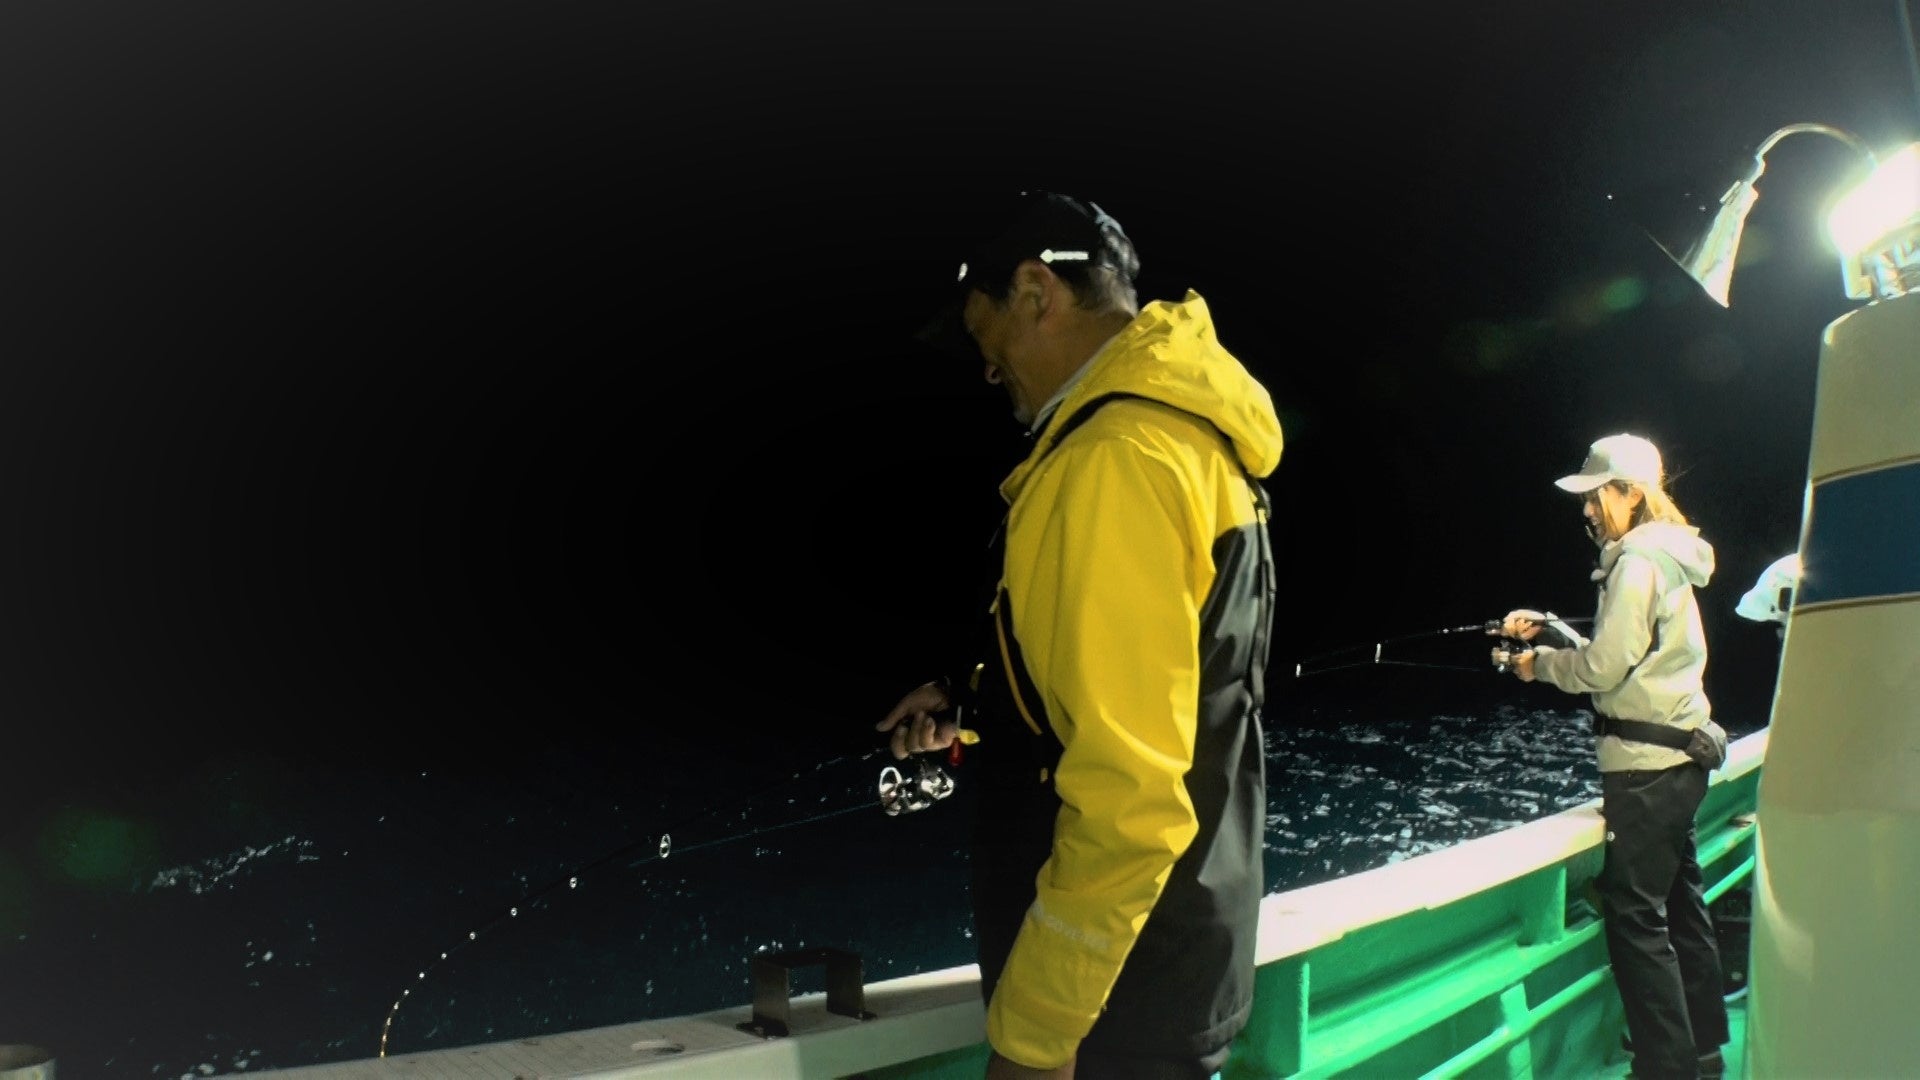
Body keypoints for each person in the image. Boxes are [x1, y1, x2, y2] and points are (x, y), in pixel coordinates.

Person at [875, 190, 1283, 1080]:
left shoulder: (1113, 460)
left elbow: (1130, 800)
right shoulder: (1190, 439)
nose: (988, 372)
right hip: (1179, 953)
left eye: (984, 334)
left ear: (1035, 293)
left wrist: (1037, 1036)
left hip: (1113, 1008)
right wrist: (979, 696)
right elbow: (1166, 680)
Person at [1490, 432, 1731, 1080]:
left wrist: (1537, 665)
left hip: (1647, 770)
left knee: (1635, 916)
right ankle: (1704, 1047)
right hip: (1679, 759)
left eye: (1597, 496)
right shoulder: (1664, 555)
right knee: (1681, 904)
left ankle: (1666, 1067)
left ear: (1631, 494)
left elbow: (1603, 667)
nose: (1588, 510)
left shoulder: (1636, 562)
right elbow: (1626, 657)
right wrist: (1552, 628)